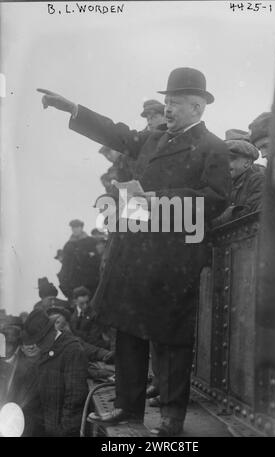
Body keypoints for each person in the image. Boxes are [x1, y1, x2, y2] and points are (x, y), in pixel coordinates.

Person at [37, 67, 231, 436]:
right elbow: (119, 133)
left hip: (175, 258)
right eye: (167, 102)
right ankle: (128, 407)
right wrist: (74, 109)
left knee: (170, 336)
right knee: (128, 330)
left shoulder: (213, 147)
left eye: (174, 103)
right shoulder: (154, 139)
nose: (168, 109)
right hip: (135, 252)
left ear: (198, 107)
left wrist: (161, 199)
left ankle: (172, 418)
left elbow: (218, 198)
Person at [22, 309, 88, 437]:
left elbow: (75, 397)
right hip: (49, 426)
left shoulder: (72, 349)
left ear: (50, 333)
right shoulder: (48, 349)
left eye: (40, 340)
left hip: (65, 429)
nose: (37, 345)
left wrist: (64, 431)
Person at [212, 139, 265, 226]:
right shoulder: (221, 183)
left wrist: (225, 215)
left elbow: (250, 215)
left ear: (247, 163)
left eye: (230, 160)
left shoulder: (257, 181)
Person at [59, 220, 100, 299]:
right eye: (73, 228)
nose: (75, 230)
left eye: (77, 227)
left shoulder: (91, 241)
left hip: (91, 281)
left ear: (81, 228)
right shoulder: (68, 245)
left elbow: (97, 259)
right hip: (75, 282)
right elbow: (65, 266)